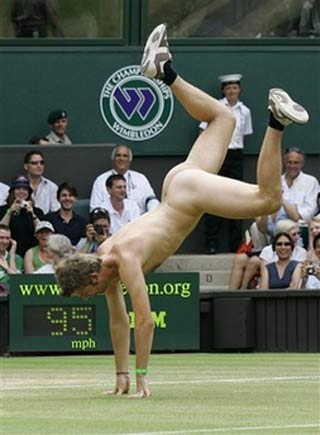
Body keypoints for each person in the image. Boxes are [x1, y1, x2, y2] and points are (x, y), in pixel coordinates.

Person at [55, 23, 309, 398]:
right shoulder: (105, 264)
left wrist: (141, 375)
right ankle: (165, 71)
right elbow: (118, 322)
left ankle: (276, 120)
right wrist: (120, 375)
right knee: (226, 118)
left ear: (90, 280)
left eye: (81, 296)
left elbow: (142, 320)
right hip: (177, 183)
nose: (86, 300)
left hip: (186, 195)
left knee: (268, 201)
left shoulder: (120, 258)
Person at [199, 73, 253, 254]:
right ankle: (211, 243)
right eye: (228, 88)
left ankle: (235, 244)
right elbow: (203, 132)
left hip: (236, 156)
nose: (232, 91)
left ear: (239, 90)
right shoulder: (215, 108)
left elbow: (244, 134)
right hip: (218, 154)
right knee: (213, 197)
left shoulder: (244, 111)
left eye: (235, 88)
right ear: (224, 90)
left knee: (237, 198)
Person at [229, 218, 307, 289]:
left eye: (298, 234)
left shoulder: (302, 252)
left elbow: (296, 284)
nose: (297, 237)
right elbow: (265, 282)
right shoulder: (267, 251)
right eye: (294, 234)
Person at [90, 144, 160, 214]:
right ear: (113, 159)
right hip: (112, 221)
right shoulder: (100, 181)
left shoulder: (141, 179)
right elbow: (95, 208)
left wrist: (151, 214)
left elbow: (151, 200)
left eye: (125, 156)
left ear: (130, 160)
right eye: (118, 155)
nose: (121, 159)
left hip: (139, 221)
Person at [0, 175, 44, 256]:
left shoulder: (38, 211)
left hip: (32, 253)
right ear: (12, 191)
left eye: (25, 189)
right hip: (8, 253)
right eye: (18, 188)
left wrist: (32, 213)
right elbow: (1, 229)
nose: (21, 191)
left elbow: (42, 232)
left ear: (29, 193)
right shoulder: (2, 210)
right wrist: (10, 211)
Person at [24, 150, 60, 214]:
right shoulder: (19, 187)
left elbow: (56, 211)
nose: (39, 166)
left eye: (42, 163)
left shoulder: (52, 187)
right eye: (34, 163)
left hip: (45, 221)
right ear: (26, 166)